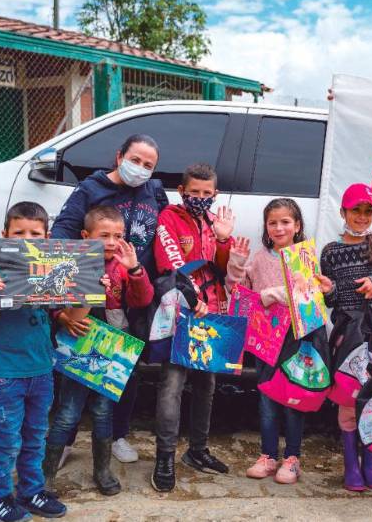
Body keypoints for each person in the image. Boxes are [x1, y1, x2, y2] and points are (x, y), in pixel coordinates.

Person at [50, 133, 168, 465]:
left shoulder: (153, 191)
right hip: (90, 298)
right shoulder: (91, 189)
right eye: (135, 160)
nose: (140, 168)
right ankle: (66, 440)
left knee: (124, 373)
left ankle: (117, 436)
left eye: (148, 165)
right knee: (75, 372)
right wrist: (65, 300)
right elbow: (61, 236)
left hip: (132, 295)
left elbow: (165, 235)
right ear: (119, 157)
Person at [43, 206, 154, 496]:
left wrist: (135, 269)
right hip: (77, 344)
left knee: (104, 412)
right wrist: (62, 317)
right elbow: (51, 298)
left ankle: (102, 471)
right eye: (104, 235)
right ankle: (46, 475)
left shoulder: (123, 265)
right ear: (85, 235)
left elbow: (142, 300)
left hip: (111, 348)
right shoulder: (72, 263)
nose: (111, 242)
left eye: (117, 235)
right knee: (68, 412)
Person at [0, 202, 67, 521]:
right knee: (6, 442)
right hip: (3, 376)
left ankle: (31, 491)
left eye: (35, 234)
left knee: (35, 438)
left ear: (47, 238)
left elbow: (75, 313)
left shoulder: (53, 271)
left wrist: (92, 290)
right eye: (19, 232)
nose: (27, 239)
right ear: (5, 235)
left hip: (42, 372)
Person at [150, 163, 234, 493]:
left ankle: (197, 450)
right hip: (180, 312)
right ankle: (165, 457)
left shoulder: (214, 222)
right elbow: (169, 263)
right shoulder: (169, 218)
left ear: (215, 194)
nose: (200, 197)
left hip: (210, 313)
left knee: (206, 384)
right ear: (182, 191)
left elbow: (222, 268)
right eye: (194, 192)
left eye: (206, 193)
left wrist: (224, 239)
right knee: (172, 384)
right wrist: (190, 296)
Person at [319, 183, 372, 492]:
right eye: (356, 211)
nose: (362, 217)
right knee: (348, 398)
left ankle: (371, 464)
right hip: (346, 335)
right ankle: (351, 465)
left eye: (368, 211)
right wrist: (330, 290)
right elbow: (331, 300)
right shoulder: (331, 252)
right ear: (343, 212)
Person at [227, 198, 311, 484]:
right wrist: (237, 264)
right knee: (267, 398)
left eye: (285, 222)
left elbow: (305, 297)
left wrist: (271, 294)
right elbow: (240, 292)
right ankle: (268, 456)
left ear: (297, 225)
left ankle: (293, 458)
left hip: (296, 339)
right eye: (272, 223)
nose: (279, 228)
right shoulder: (260, 258)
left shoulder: (304, 257)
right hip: (265, 339)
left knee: (293, 399)